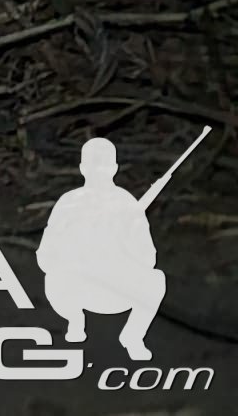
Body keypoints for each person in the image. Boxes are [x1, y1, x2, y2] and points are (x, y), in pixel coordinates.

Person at [36, 136, 173, 362]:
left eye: (104, 164)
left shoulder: (127, 204)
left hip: (116, 288)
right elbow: (46, 256)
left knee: (156, 280)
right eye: (93, 164)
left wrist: (127, 234)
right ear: (82, 168)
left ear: (114, 168)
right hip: (76, 286)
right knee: (53, 278)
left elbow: (149, 259)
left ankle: (133, 336)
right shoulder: (68, 203)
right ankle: (75, 320)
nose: (98, 171)